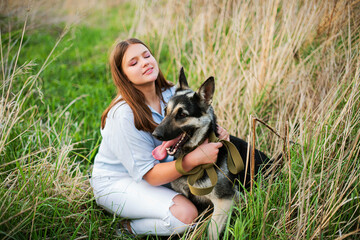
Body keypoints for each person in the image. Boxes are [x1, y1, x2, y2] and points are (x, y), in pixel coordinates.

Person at [90, 38, 230, 237]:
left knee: (206, 203)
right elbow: (151, 176)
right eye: (134, 62)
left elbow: (200, 114)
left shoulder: (171, 93)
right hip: (121, 182)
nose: (145, 62)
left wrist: (217, 130)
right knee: (187, 216)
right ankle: (126, 229)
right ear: (124, 76)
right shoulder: (122, 115)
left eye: (147, 55)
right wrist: (194, 159)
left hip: (162, 171)